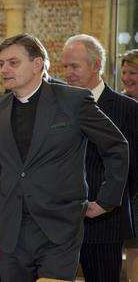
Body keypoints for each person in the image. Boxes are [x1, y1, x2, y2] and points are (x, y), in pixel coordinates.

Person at [0, 34, 129, 281]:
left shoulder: (73, 100)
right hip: (13, 231)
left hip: (59, 228)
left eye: (13, 62)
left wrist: (106, 200)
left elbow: (117, 146)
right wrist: (0, 232)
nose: (4, 69)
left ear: (37, 64)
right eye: (1, 64)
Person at [60, 34, 137, 282]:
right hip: (60, 220)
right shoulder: (58, 106)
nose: (68, 73)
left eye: (75, 66)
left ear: (95, 66)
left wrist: (106, 200)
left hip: (104, 222)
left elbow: (132, 167)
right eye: (65, 67)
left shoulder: (127, 109)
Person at [120, 49, 138, 282]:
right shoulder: (120, 104)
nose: (126, 77)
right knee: (134, 249)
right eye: (124, 72)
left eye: (132, 72)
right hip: (131, 190)